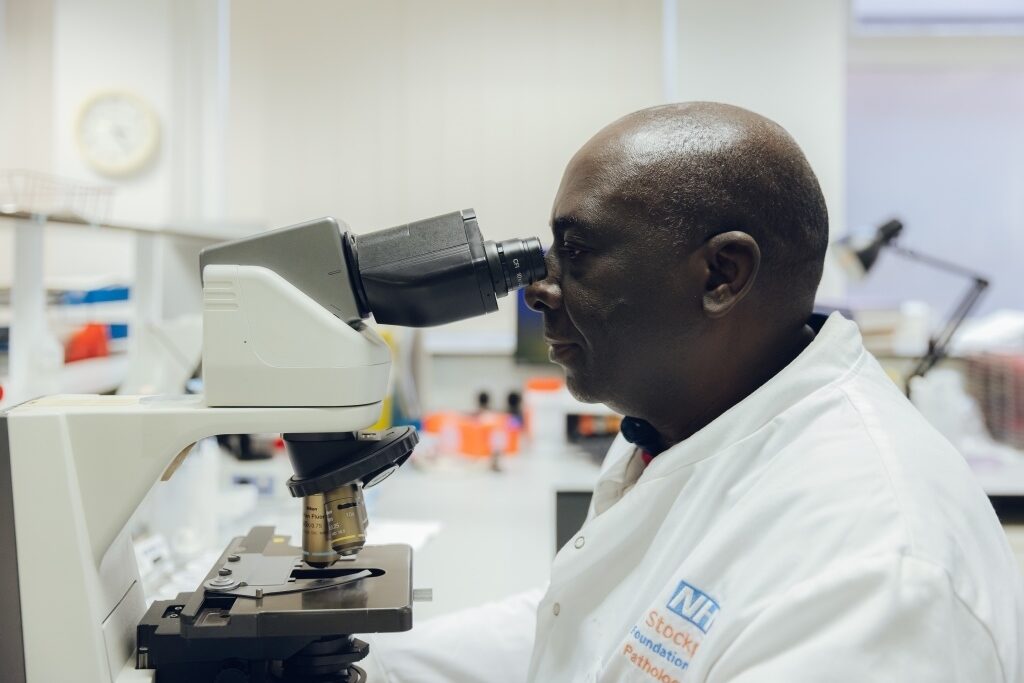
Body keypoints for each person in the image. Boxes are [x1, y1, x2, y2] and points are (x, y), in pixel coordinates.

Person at [366, 102, 1024, 682]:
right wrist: (370, 665)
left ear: (722, 274)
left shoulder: (870, 567)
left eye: (578, 251)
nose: (540, 287)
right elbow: (596, 627)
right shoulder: (687, 420)